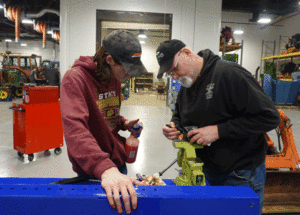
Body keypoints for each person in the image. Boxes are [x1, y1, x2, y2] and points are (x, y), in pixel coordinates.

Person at [156, 39, 281, 215]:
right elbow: (179, 114)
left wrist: (218, 131)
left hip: (240, 174)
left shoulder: (229, 74)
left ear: (186, 52)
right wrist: (174, 125)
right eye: (171, 74)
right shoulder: (187, 83)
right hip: (208, 171)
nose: (175, 77)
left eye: (175, 69)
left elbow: (269, 117)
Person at [60, 30, 148, 214]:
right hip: (94, 168)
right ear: (109, 60)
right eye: (126, 67)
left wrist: (124, 124)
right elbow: (75, 130)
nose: (129, 75)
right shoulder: (75, 78)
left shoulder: (114, 78)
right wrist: (105, 169)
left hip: (116, 161)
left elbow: (107, 115)